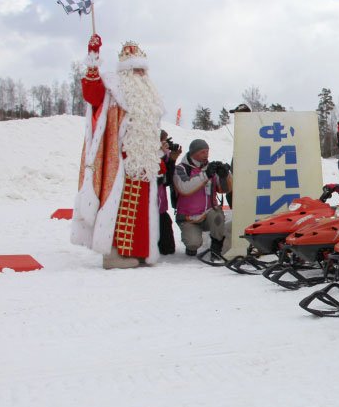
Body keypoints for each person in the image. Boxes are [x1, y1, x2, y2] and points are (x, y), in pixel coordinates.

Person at [71, 36, 165, 269]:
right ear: (125, 71)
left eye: (143, 70)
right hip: (121, 162)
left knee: (142, 213)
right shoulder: (114, 90)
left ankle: (140, 252)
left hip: (144, 164)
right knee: (120, 209)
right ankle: (114, 254)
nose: (140, 75)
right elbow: (92, 94)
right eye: (135, 70)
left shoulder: (150, 99)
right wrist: (93, 59)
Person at [174, 139, 232, 257]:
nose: (206, 155)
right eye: (203, 152)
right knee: (193, 243)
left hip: (208, 213)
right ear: (193, 153)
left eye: (207, 151)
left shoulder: (210, 168)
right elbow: (184, 188)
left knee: (218, 215)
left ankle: (216, 249)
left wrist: (224, 176)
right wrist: (205, 175)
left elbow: (224, 189)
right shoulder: (181, 169)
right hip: (188, 217)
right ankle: (190, 244)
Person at [157, 130, 180, 255]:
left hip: (160, 205)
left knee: (168, 248)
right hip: (150, 205)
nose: (166, 144)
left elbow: (168, 180)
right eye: (163, 141)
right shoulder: (150, 155)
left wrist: (171, 160)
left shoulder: (164, 155)